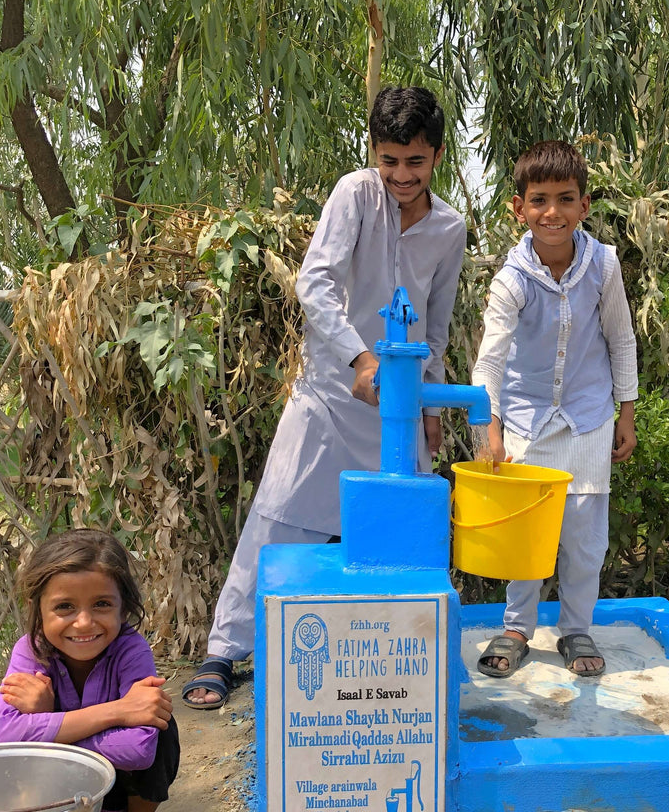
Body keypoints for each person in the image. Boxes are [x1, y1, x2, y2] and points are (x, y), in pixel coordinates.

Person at [184, 86, 467, 708]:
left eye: (414, 162)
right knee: (279, 517)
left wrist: (431, 408)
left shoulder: (450, 228)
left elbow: (435, 327)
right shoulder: (355, 194)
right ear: (374, 154)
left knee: (408, 531)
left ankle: (406, 659)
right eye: (389, 160)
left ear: (437, 157)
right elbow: (316, 285)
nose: (400, 175)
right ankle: (224, 653)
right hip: (331, 392)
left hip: (398, 406)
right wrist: (359, 356)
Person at [472, 139, 637, 678]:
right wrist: (490, 430)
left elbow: (621, 339)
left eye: (566, 199)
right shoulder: (512, 279)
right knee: (527, 532)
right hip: (525, 419)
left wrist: (626, 413)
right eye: (539, 199)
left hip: (589, 416)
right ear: (518, 208)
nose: (552, 212)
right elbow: (490, 362)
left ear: (584, 206)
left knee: (586, 536)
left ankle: (576, 628)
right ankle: (517, 627)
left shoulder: (603, 264)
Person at [0, 529, 182, 812]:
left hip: (118, 803)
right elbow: (5, 738)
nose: (83, 623)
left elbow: (139, 750)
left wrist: (46, 724)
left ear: (123, 608)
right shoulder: (30, 651)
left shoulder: (131, 650)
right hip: (54, 805)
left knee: (161, 723)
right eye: (64, 607)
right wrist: (119, 710)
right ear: (39, 610)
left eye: (101, 605)